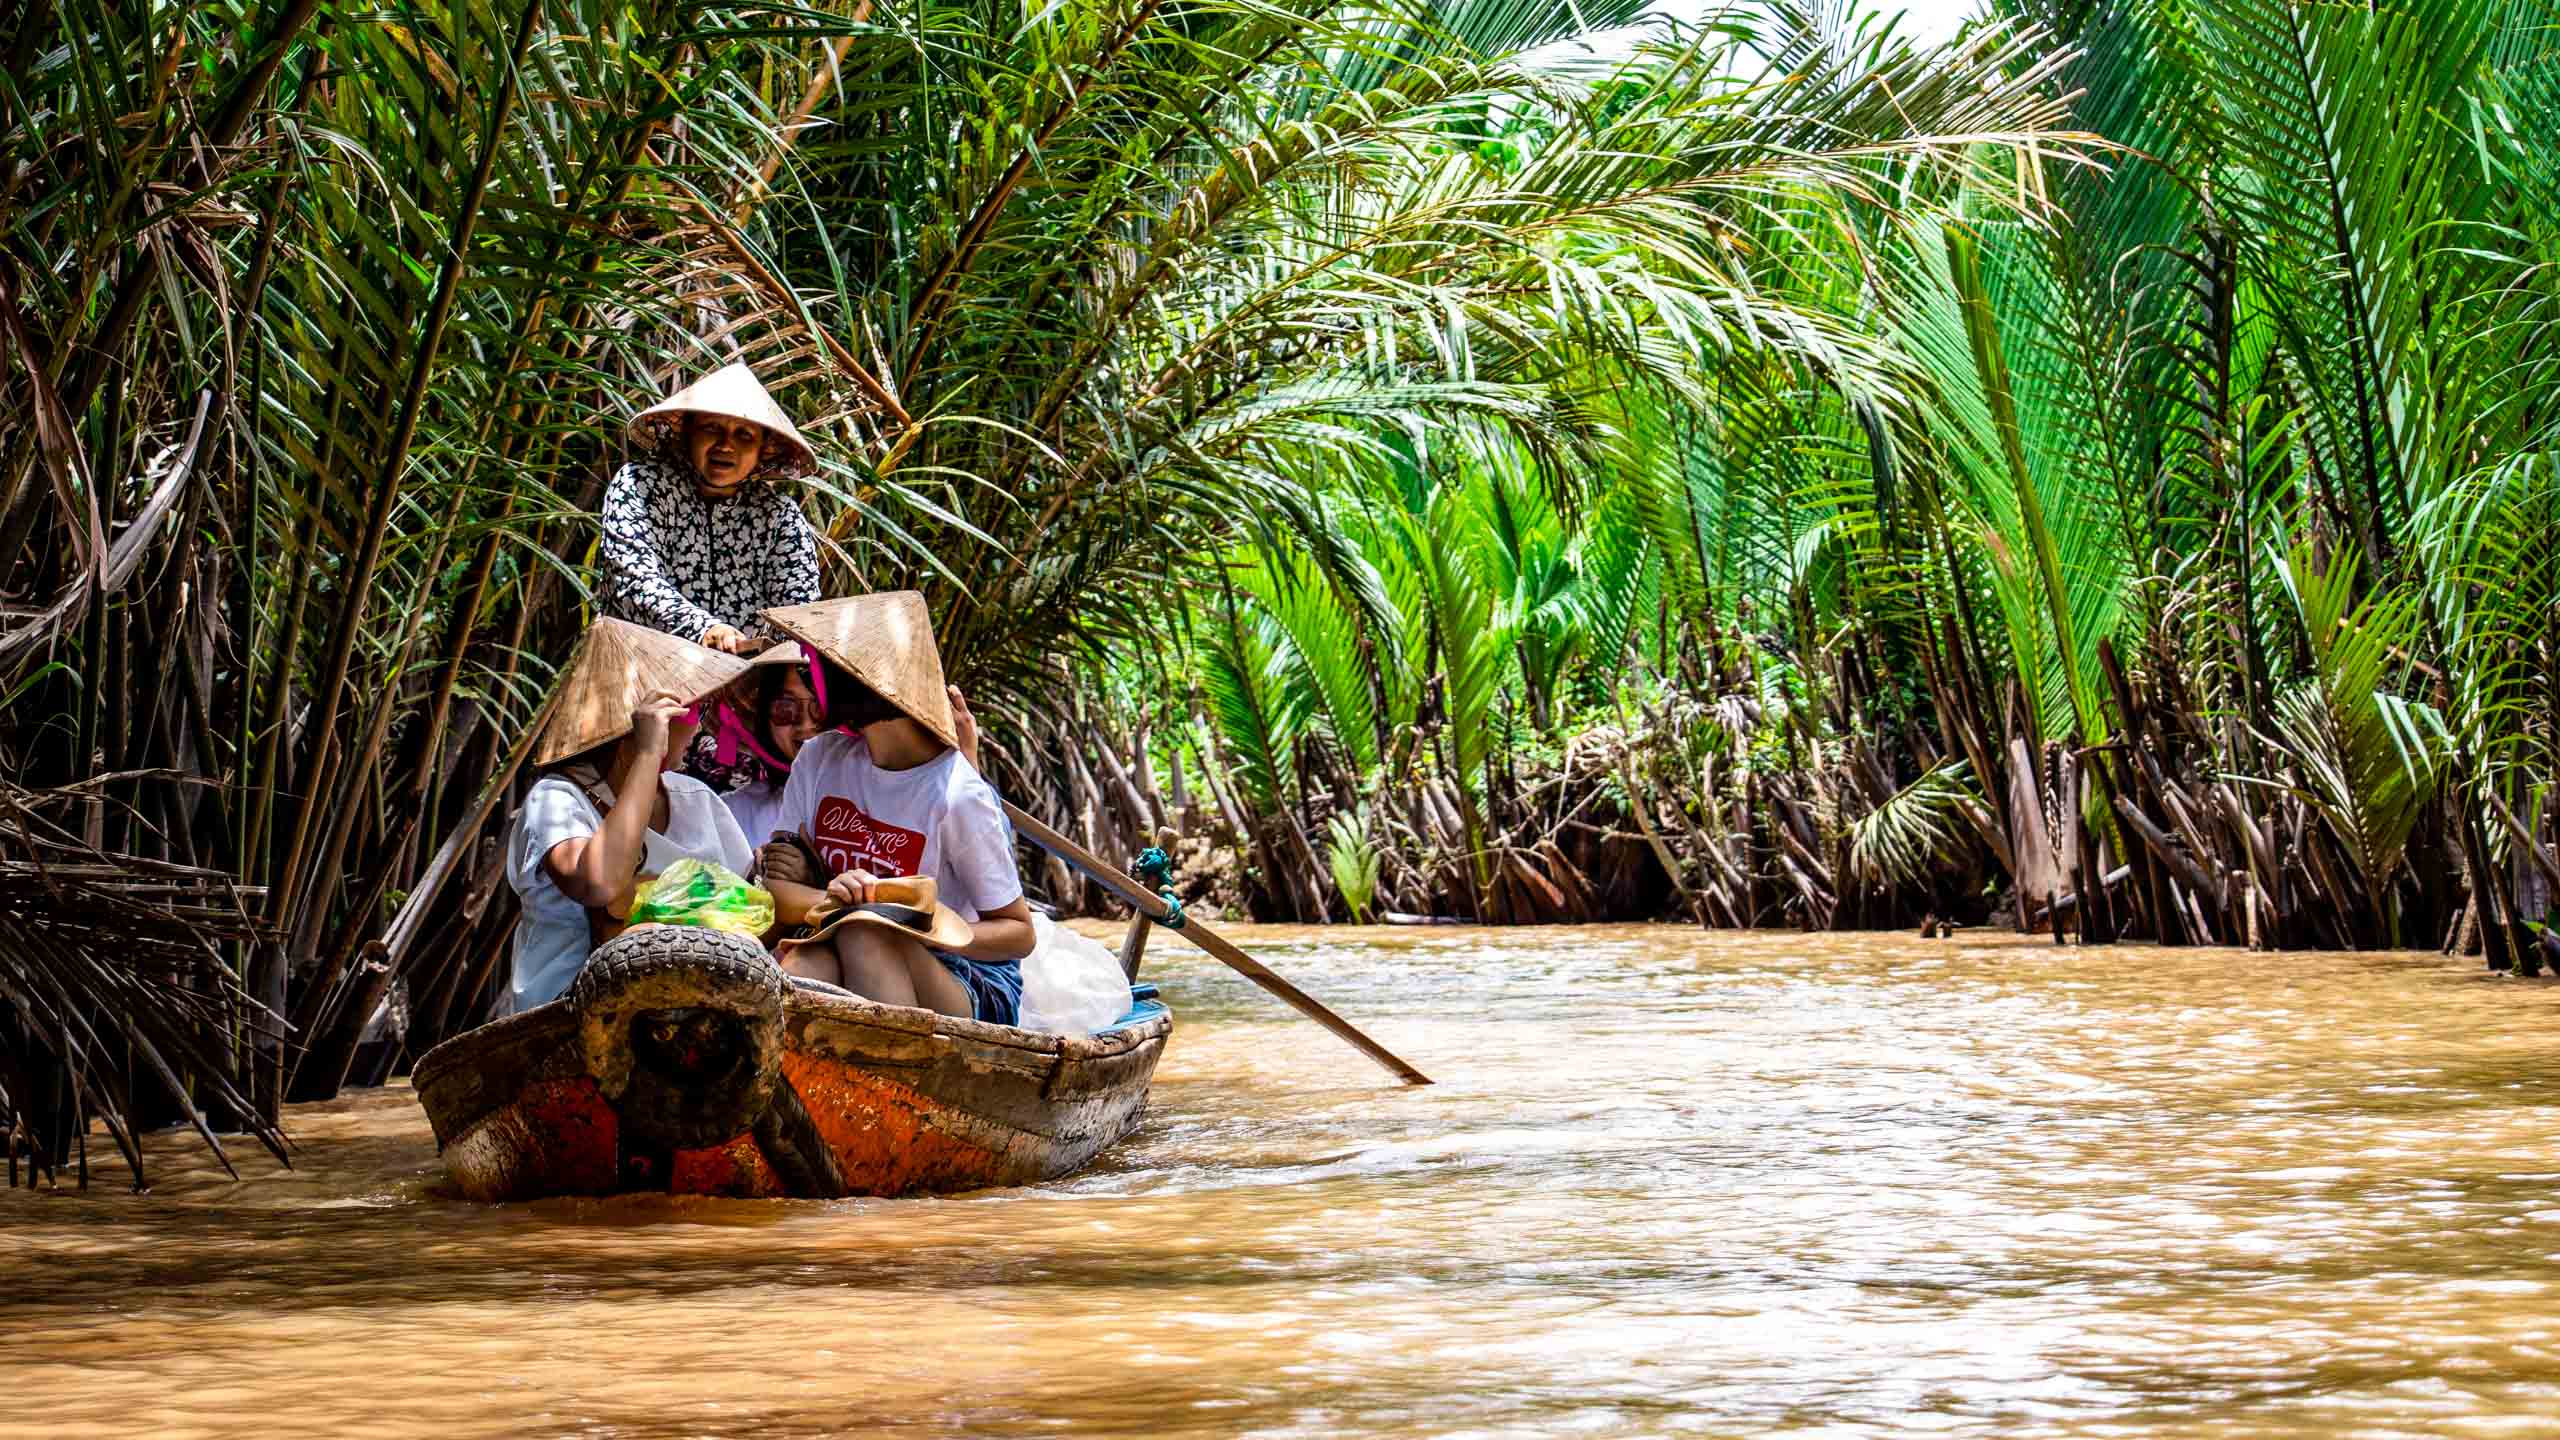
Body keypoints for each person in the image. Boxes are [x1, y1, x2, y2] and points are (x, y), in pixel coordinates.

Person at [756, 592, 1034, 1024]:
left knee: (864, 933)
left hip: (967, 976)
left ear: (858, 681)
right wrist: (840, 900)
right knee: (806, 965)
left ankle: (898, 1077)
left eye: (819, 670)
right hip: (843, 937)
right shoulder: (819, 758)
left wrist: (914, 922)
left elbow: (1019, 933)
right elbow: (777, 890)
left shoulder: (957, 794)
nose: (812, 687)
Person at [502, 619, 756, 1015]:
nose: (700, 728)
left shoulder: (696, 798)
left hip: (701, 1009)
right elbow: (600, 883)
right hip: (570, 1013)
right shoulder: (556, 799)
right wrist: (646, 754)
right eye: (689, 713)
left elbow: (746, 903)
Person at [602, 360, 821, 656]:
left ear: (762, 450)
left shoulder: (779, 516)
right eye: (712, 429)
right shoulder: (640, 485)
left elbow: (799, 614)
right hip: (642, 675)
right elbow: (633, 582)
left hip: (741, 687)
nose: (726, 445)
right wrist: (705, 630)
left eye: (744, 435)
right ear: (687, 433)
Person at [710, 645, 826, 848]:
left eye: (821, 706)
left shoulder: (889, 804)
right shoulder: (732, 815)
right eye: (785, 707)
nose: (806, 724)